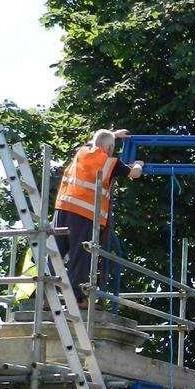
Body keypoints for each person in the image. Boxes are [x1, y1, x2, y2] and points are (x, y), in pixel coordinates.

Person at [52, 129, 144, 304]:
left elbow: (95, 141)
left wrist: (113, 135)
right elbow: (134, 174)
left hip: (62, 208)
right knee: (81, 254)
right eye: (112, 146)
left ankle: (45, 296)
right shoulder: (110, 162)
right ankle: (78, 298)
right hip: (84, 214)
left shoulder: (82, 151)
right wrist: (139, 164)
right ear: (109, 147)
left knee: (55, 252)